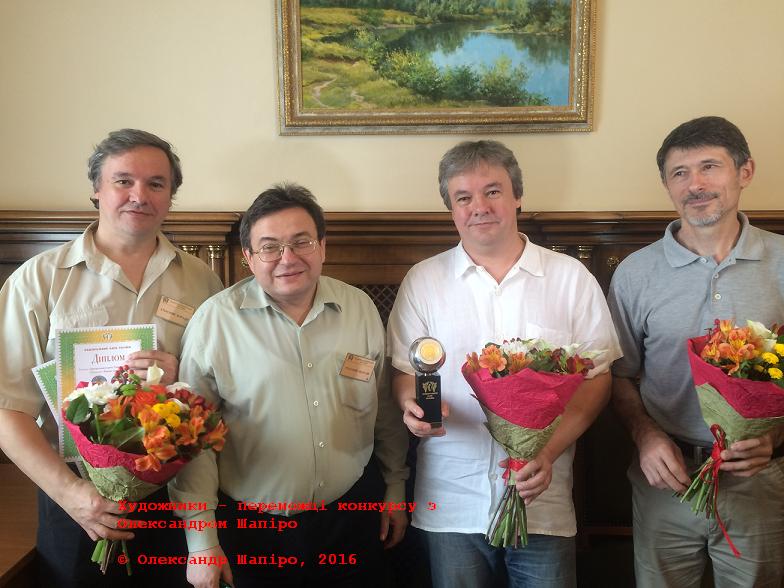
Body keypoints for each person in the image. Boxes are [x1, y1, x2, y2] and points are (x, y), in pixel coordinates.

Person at [386, 140, 621, 588]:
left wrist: (547, 453)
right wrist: (411, 406)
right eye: (463, 197)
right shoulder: (424, 280)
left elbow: (597, 380)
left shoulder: (570, 278)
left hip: (541, 498)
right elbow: (406, 371)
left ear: (517, 197)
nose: (479, 207)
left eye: (492, 191)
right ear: (451, 209)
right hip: (451, 500)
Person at [0, 129, 225, 587]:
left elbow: (220, 390)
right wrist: (73, 495)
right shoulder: (38, 280)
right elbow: (7, 409)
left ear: (171, 196)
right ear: (96, 190)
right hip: (74, 498)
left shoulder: (202, 282)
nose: (139, 195)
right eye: (123, 181)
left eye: (156, 184)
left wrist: (181, 377)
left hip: (174, 495)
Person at [169, 183, 409, 588]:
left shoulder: (360, 308)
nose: (288, 258)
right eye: (270, 247)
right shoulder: (214, 323)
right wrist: (201, 541)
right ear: (248, 258)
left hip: (351, 513)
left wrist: (396, 486)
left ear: (322, 246)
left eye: (302, 242)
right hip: (253, 529)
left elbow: (382, 406)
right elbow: (192, 442)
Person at [608, 116, 784, 587]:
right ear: (667, 185)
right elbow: (618, 375)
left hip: (761, 481)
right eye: (680, 173)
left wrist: (775, 434)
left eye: (710, 166)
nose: (695, 184)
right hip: (667, 480)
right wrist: (645, 435)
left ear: (745, 172)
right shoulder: (635, 273)